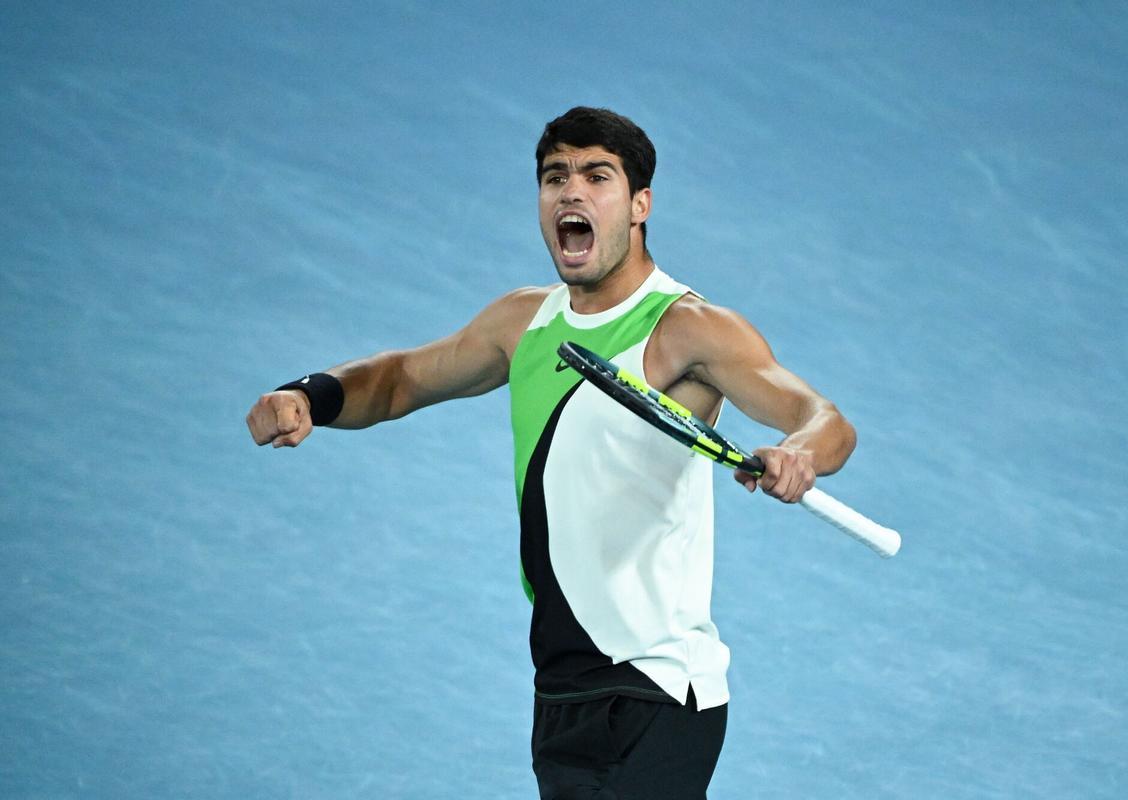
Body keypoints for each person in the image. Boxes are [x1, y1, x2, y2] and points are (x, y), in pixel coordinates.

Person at [246, 106, 856, 799]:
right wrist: (309, 396)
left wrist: (800, 452)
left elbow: (824, 418)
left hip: (660, 687)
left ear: (639, 206)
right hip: (561, 689)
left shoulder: (688, 328)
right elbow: (400, 379)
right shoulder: (523, 322)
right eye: (554, 176)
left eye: (598, 176)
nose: (571, 191)